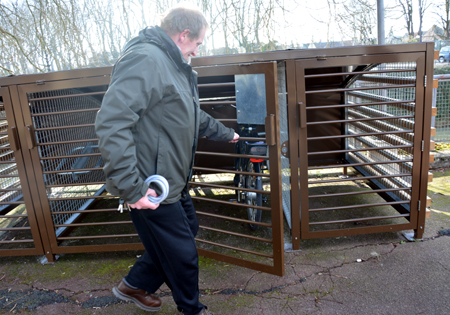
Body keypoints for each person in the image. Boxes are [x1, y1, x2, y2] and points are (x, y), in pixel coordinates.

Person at [95, 5, 239, 315]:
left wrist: (225, 133)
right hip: (150, 185)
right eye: (198, 43)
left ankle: (134, 285)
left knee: (188, 230)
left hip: (172, 179)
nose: (198, 51)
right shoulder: (146, 60)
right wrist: (131, 189)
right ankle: (192, 310)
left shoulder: (174, 65)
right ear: (183, 35)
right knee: (183, 253)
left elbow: (188, 113)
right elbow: (112, 121)